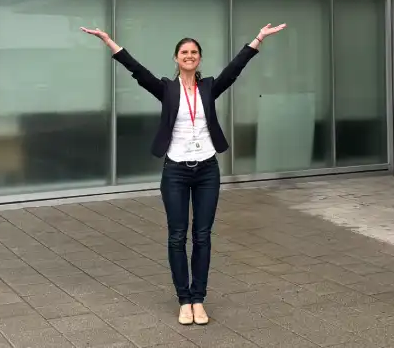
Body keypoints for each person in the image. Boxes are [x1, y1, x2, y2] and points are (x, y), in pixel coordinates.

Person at [81, 23, 287, 326]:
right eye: (184, 52)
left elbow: (235, 69)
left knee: (202, 236)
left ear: (199, 59)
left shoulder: (209, 87)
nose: (189, 56)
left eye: (194, 52)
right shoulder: (166, 88)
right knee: (177, 236)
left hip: (207, 170)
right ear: (176, 59)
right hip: (175, 170)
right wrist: (110, 42)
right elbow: (137, 70)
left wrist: (258, 39)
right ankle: (184, 299)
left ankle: (199, 299)